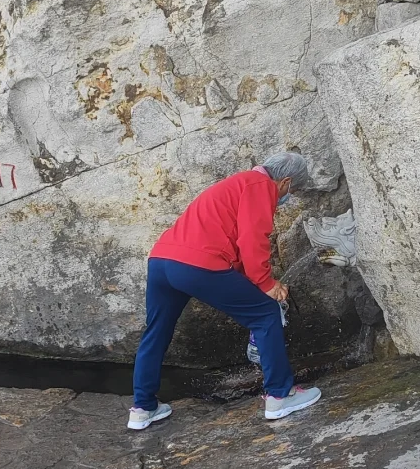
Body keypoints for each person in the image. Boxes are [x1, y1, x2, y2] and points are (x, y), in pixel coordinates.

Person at [128, 152, 322, 430]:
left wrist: (254, 283)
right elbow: (252, 239)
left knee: (156, 331)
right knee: (266, 314)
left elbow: (235, 244)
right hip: (197, 264)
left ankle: (142, 408)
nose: (286, 197)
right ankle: (280, 395)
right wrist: (266, 284)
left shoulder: (235, 184)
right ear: (285, 181)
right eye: (291, 191)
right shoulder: (260, 186)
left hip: (162, 259)